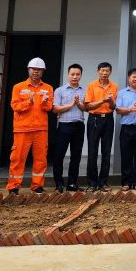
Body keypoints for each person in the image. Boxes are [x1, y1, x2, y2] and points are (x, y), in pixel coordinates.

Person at [7, 57, 53, 195]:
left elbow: (49, 107)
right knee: (17, 158)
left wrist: (44, 102)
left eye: (39, 70)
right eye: (33, 69)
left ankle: (37, 185)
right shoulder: (18, 87)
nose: (36, 72)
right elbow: (15, 106)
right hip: (22, 129)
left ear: (43, 72)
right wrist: (29, 102)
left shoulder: (48, 88)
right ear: (28, 70)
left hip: (41, 129)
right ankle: (14, 186)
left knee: (40, 159)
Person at [51, 63, 86, 193]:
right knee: (59, 156)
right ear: (68, 74)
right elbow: (55, 109)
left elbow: (86, 108)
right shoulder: (60, 90)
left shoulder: (84, 90)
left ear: (81, 75)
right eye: (72, 74)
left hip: (79, 127)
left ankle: (72, 183)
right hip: (64, 126)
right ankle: (58, 184)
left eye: (77, 74)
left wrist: (79, 104)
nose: (75, 77)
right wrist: (71, 105)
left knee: (76, 156)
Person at [84, 61, 118, 192]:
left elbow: (114, 107)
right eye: (102, 70)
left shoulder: (114, 86)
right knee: (92, 151)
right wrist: (103, 100)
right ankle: (92, 183)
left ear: (110, 72)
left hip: (108, 119)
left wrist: (110, 102)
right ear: (98, 71)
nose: (104, 73)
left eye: (107, 71)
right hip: (94, 119)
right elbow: (88, 106)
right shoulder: (92, 85)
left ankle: (103, 182)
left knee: (106, 151)